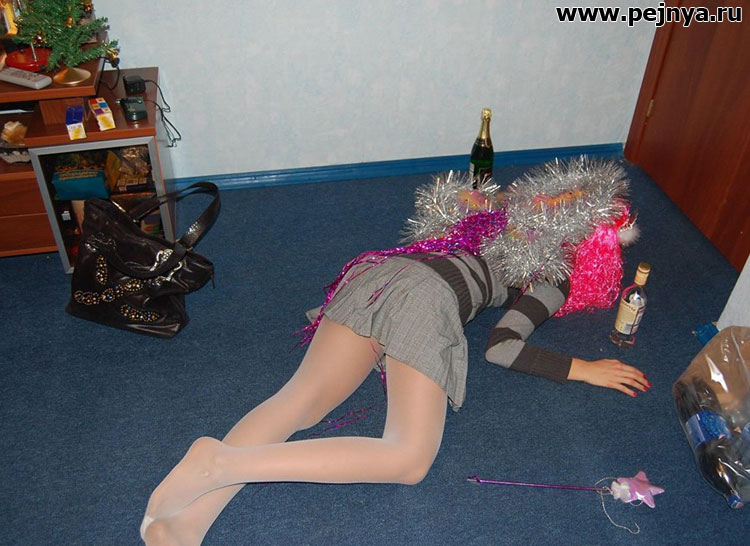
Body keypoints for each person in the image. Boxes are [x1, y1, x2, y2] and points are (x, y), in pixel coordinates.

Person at [140, 164, 650, 545]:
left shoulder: (489, 212)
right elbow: (502, 348)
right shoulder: (553, 273)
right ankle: (221, 462)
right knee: (408, 458)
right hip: (427, 297)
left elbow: (446, 202)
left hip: (378, 274)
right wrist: (582, 369)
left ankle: (187, 522)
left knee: (299, 400)